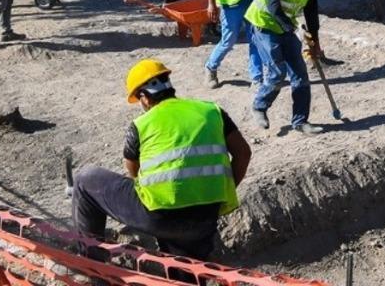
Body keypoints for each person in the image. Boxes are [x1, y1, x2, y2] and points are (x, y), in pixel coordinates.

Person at [70, 59, 250, 260]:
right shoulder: (211, 111)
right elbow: (243, 153)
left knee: (85, 180)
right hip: (205, 218)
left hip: (159, 216)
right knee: (185, 272)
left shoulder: (141, 125)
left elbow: (134, 173)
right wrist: (220, 190)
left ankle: (91, 266)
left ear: (144, 98)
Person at [245, 0, 344, 134]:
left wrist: (315, 44)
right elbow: (273, 5)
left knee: (300, 73)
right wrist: (295, 29)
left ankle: (300, 121)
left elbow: (311, 12)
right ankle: (259, 105)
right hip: (263, 23)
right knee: (277, 73)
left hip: (285, 26)